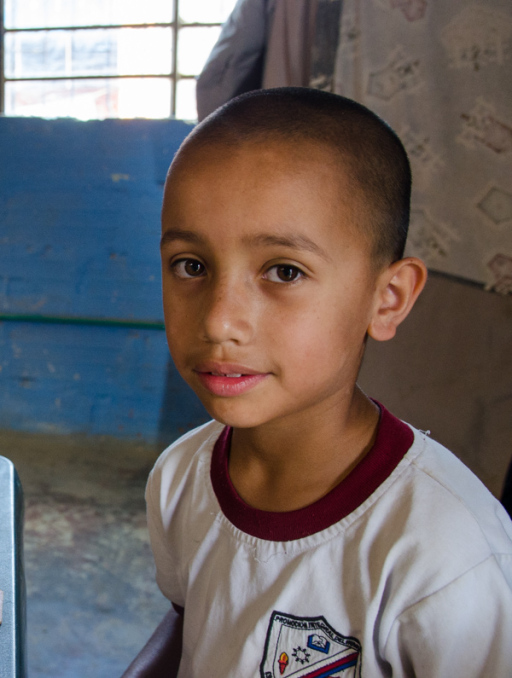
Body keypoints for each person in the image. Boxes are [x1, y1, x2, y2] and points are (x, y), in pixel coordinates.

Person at [123, 88, 512, 677]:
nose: (218, 321)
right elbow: (191, 623)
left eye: (284, 271)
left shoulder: (446, 555)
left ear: (387, 300)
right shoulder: (180, 479)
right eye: (191, 266)